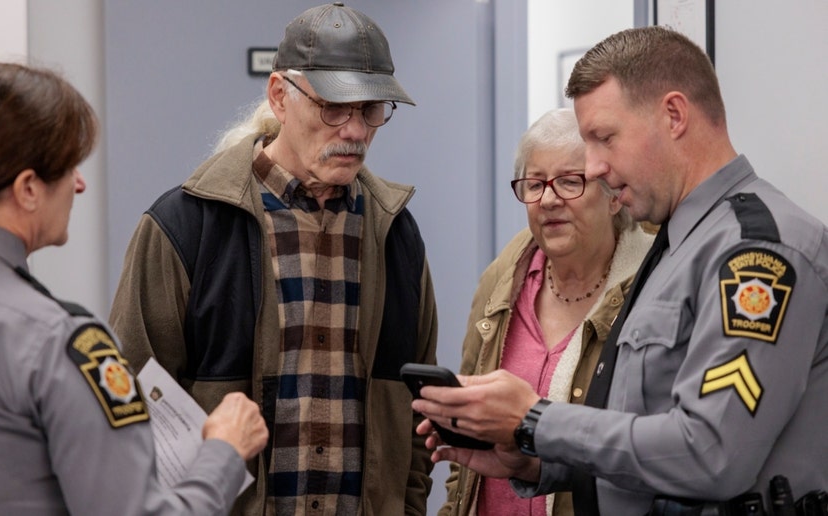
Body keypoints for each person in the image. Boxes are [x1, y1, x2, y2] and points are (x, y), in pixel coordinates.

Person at [412, 25, 828, 515]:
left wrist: (535, 420)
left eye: (604, 138)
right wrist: (536, 463)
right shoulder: (676, 244)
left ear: (674, 115)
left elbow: (712, 452)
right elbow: (645, 433)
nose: (592, 167)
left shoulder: (755, 252)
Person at [109, 3, 438, 514]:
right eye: (334, 106)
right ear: (279, 96)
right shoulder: (185, 226)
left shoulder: (395, 233)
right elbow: (128, 407)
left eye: (371, 109)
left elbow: (416, 413)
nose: (355, 131)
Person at [0, 62, 268, 516]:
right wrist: (225, 452)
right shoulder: (61, 344)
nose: (79, 184)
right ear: (27, 190)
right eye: (69, 167)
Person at [439, 108, 652, 516]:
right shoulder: (503, 280)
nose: (549, 199)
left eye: (570, 182)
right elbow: (467, 448)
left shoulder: (649, 287)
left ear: (613, 195)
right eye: (535, 184)